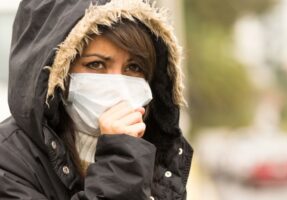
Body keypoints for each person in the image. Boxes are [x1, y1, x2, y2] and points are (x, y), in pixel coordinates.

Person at [0, 0, 193, 199]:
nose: (118, 85)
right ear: (58, 72)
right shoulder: (8, 161)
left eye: (134, 67)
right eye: (96, 65)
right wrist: (121, 162)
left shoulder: (157, 155)